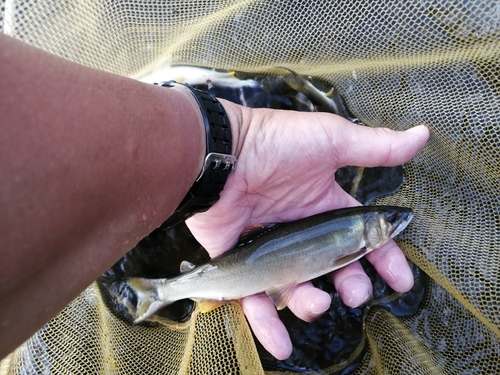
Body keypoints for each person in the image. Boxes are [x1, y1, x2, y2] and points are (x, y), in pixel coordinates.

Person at [0, 33, 429, 361]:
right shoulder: (357, 231)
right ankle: (163, 291)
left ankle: (164, 290)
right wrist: (233, 141)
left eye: (388, 221)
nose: (395, 225)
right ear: (371, 228)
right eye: (389, 222)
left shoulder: (355, 230)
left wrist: (234, 141)